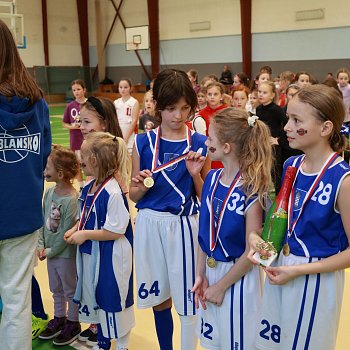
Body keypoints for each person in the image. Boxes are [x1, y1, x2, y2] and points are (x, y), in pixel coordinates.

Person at [249, 84, 350, 350]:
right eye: (288, 118)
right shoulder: (291, 165)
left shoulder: (343, 179)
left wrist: (296, 270)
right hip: (281, 269)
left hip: (314, 279)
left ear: (325, 128)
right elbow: (283, 223)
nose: (286, 127)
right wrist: (257, 240)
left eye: (296, 120)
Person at [130, 68, 211, 350]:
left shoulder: (200, 144)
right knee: (159, 297)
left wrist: (195, 175)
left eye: (185, 108)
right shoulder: (142, 142)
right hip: (150, 225)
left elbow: (206, 197)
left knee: (188, 299)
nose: (179, 115)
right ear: (157, 107)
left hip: (184, 225)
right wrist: (142, 185)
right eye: (172, 108)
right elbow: (134, 194)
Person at [192, 107, 272, 350]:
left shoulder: (251, 188)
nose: (205, 142)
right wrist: (200, 274)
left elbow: (254, 252)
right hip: (210, 274)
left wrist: (221, 286)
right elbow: (204, 234)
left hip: (238, 278)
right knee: (211, 343)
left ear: (226, 147)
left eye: (210, 138)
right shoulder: (212, 180)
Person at [0, 19, 51, 350]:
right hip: (23, 216)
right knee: (17, 301)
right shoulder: (37, 101)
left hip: (17, 216)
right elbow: (44, 153)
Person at [65, 132, 134, 350]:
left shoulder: (113, 192)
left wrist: (84, 235)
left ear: (94, 160)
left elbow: (116, 231)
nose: (79, 160)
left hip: (111, 257)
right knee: (98, 299)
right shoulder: (89, 186)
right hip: (94, 254)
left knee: (113, 301)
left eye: (82, 155)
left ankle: (121, 344)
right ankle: (103, 341)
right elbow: (86, 217)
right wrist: (75, 228)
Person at [78, 96, 128, 346]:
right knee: (92, 279)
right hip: (95, 236)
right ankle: (98, 322)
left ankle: (106, 327)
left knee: (107, 282)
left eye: (87, 121)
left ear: (105, 123)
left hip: (108, 238)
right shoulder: (92, 164)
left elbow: (118, 216)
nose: (82, 126)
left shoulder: (112, 170)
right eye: (80, 121)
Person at [37, 145, 81, 345]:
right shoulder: (49, 193)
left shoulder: (72, 199)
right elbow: (43, 220)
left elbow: (65, 233)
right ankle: (59, 318)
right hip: (50, 252)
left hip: (64, 254)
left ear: (60, 173)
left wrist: (50, 250)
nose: (44, 171)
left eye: (48, 168)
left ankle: (73, 322)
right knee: (56, 288)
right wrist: (40, 244)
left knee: (70, 289)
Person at [256, 81, 287, 194]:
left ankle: (278, 195)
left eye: (264, 92)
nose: (261, 94)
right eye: (259, 92)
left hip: (273, 146)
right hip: (261, 144)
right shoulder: (259, 108)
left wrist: (278, 140)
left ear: (272, 95)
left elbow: (287, 124)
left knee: (275, 172)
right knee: (262, 169)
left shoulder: (276, 109)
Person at [62, 79, 86, 189]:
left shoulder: (90, 104)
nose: (76, 92)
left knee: (90, 164)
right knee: (77, 165)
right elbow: (64, 123)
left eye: (78, 89)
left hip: (88, 139)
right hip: (75, 140)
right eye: (74, 90)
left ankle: (91, 185)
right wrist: (72, 127)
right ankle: (82, 187)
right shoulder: (70, 106)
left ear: (84, 90)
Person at [114, 78, 140, 154]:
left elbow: (134, 121)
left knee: (130, 157)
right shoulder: (116, 102)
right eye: (120, 87)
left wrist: (126, 137)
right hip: (118, 132)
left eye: (125, 87)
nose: (123, 89)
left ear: (130, 88)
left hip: (130, 133)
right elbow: (114, 120)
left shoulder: (134, 102)